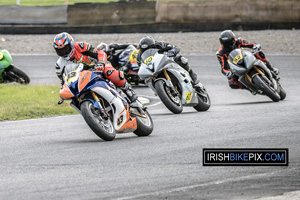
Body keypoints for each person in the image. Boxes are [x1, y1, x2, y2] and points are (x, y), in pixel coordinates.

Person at [53, 32, 137, 103]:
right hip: (80, 81)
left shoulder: (81, 46)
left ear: (71, 44)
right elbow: (63, 81)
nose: (63, 52)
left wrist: (101, 63)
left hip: (96, 69)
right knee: (74, 100)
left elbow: (100, 53)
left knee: (110, 73)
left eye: (65, 48)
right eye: (60, 50)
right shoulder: (59, 66)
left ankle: (129, 92)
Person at [136, 36, 201, 87]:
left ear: (153, 45)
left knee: (181, 59)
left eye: (149, 48)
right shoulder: (139, 56)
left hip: (166, 61)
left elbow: (175, 47)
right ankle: (157, 90)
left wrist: (173, 51)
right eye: (144, 50)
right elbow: (140, 66)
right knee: (147, 80)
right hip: (153, 69)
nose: (147, 50)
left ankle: (194, 79)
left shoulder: (160, 44)